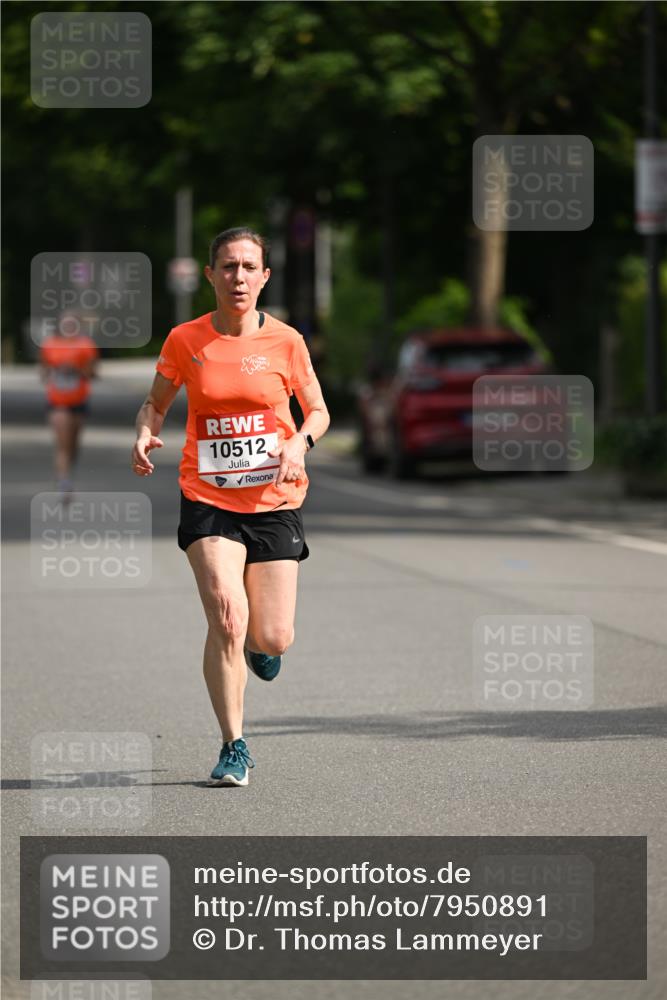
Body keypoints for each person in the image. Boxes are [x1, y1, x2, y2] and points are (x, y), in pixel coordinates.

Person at [131, 227, 330, 787]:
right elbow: (155, 403)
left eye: (249, 267)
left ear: (264, 277)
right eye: (228, 266)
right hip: (208, 497)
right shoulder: (185, 340)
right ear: (212, 274)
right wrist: (145, 433)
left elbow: (317, 412)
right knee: (225, 612)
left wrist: (298, 444)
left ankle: (259, 649)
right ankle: (233, 745)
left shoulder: (287, 342)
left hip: (273, 499)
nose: (238, 277)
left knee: (272, 637)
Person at [39, 312, 99, 502]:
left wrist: (77, 369)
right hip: (58, 402)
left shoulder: (86, 346)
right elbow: (43, 372)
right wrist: (55, 371)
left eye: (72, 323)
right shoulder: (50, 345)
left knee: (73, 445)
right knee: (63, 444)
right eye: (66, 323)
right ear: (60, 325)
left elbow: (93, 373)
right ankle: (64, 482)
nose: (69, 327)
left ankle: (65, 474)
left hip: (79, 401)